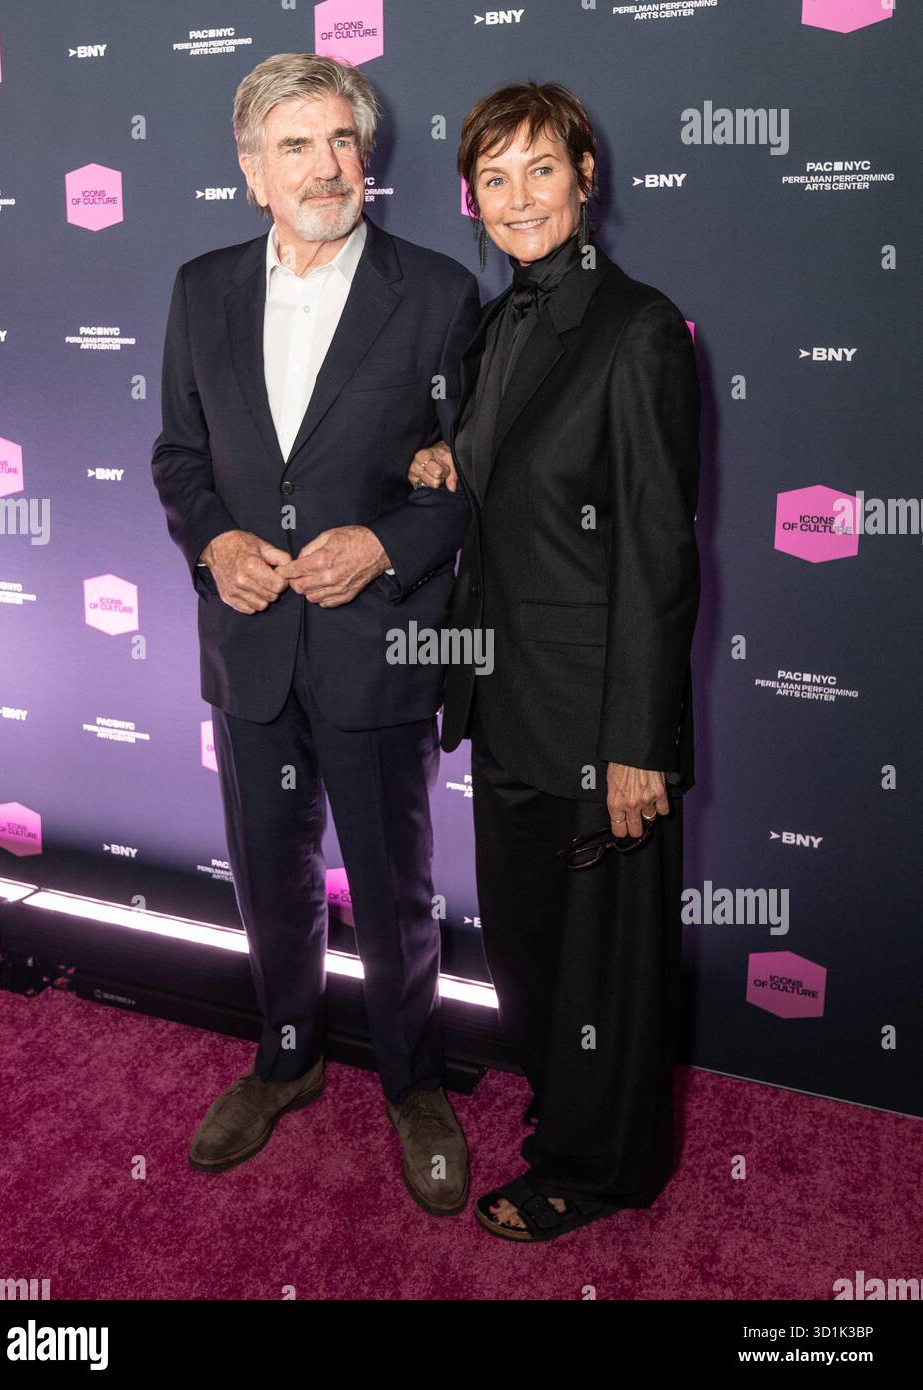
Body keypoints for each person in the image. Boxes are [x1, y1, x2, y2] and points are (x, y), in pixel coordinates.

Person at [151, 53, 481, 1215]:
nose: (326, 166)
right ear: (252, 171)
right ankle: (286, 1060)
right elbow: (181, 458)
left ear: (368, 157)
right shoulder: (201, 288)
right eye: (295, 145)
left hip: (375, 644)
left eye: (343, 141)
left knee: (393, 889)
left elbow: (466, 478)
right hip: (248, 647)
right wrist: (215, 544)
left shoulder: (440, 293)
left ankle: (415, 1084)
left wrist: (387, 545)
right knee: (268, 876)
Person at [408, 81, 701, 1241]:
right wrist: (450, 464)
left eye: (542, 169)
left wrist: (640, 741)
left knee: (603, 963)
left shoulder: (637, 327)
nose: (518, 196)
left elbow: (659, 549)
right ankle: (566, 1110)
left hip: (596, 717)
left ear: (587, 178)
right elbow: (514, 464)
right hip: (504, 692)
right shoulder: (492, 321)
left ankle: (598, 1164)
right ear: (468, 196)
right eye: (495, 175)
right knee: (532, 946)